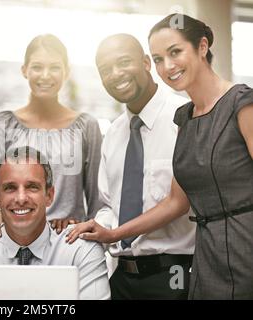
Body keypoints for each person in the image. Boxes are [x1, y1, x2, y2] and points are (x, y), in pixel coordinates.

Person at [69, 14, 253, 300]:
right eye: (159, 58)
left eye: (175, 52)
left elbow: (180, 204)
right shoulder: (184, 119)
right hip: (169, 269)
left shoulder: (233, 105)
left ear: (202, 47)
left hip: (211, 261)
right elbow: (168, 201)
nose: (167, 66)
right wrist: (108, 231)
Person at [66, 34, 194, 299]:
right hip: (122, 278)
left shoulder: (186, 117)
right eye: (105, 70)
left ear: (146, 62)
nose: (115, 74)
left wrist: (112, 232)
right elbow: (108, 205)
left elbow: (180, 201)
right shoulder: (113, 133)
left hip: (175, 276)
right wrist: (94, 226)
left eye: (124, 62)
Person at [0, 34, 103, 240]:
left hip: (68, 242)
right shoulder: (1, 124)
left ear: (66, 72)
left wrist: (82, 232)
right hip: (15, 240)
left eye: (54, 67)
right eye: (37, 67)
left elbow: (97, 199)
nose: (45, 75)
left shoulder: (86, 126)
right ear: (24, 70)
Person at [0, 146, 110, 300]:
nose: (21, 198)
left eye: (32, 187)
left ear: (49, 195)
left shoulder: (82, 251)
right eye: (10, 188)